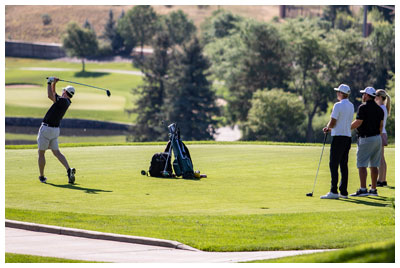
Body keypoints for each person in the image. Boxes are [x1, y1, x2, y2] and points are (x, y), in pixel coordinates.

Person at [37, 76, 76, 184]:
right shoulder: (66, 102)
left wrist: (49, 82)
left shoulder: (62, 101)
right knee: (57, 152)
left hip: (46, 129)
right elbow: (54, 94)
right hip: (54, 131)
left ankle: (42, 176)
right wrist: (54, 84)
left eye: (63, 90)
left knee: (41, 153)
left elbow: (50, 95)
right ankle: (69, 170)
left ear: (65, 92)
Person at [320, 84, 354, 199]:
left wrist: (327, 128)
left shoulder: (338, 105)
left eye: (338, 92)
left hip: (338, 137)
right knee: (343, 164)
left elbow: (333, 121)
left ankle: (333, 191)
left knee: (333, 164)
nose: (337, 94)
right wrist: (330, 127)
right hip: (347, 137)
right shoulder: (351, 105)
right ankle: (343, 192)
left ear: (341, 93)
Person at [350, 87, 384, 197]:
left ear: (367, 95)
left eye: (363, 94)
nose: (362, 96)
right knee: (374, 165)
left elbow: (358, 122)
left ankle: (363, 189)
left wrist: (346, 128)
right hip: (377, 139)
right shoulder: (380, 109)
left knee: (362, 165)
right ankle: (373, 190)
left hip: (366, 138)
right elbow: (381, 126)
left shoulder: (362, 107)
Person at [375, 89, 391, 187]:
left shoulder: (381, 108)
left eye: (376, 95)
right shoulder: (383, 107)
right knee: (382, 158)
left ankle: (380, 180)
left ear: (380, 97)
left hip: (380, 134)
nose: (374, 97)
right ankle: (382, 179)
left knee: (380, 158)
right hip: (383, 133)